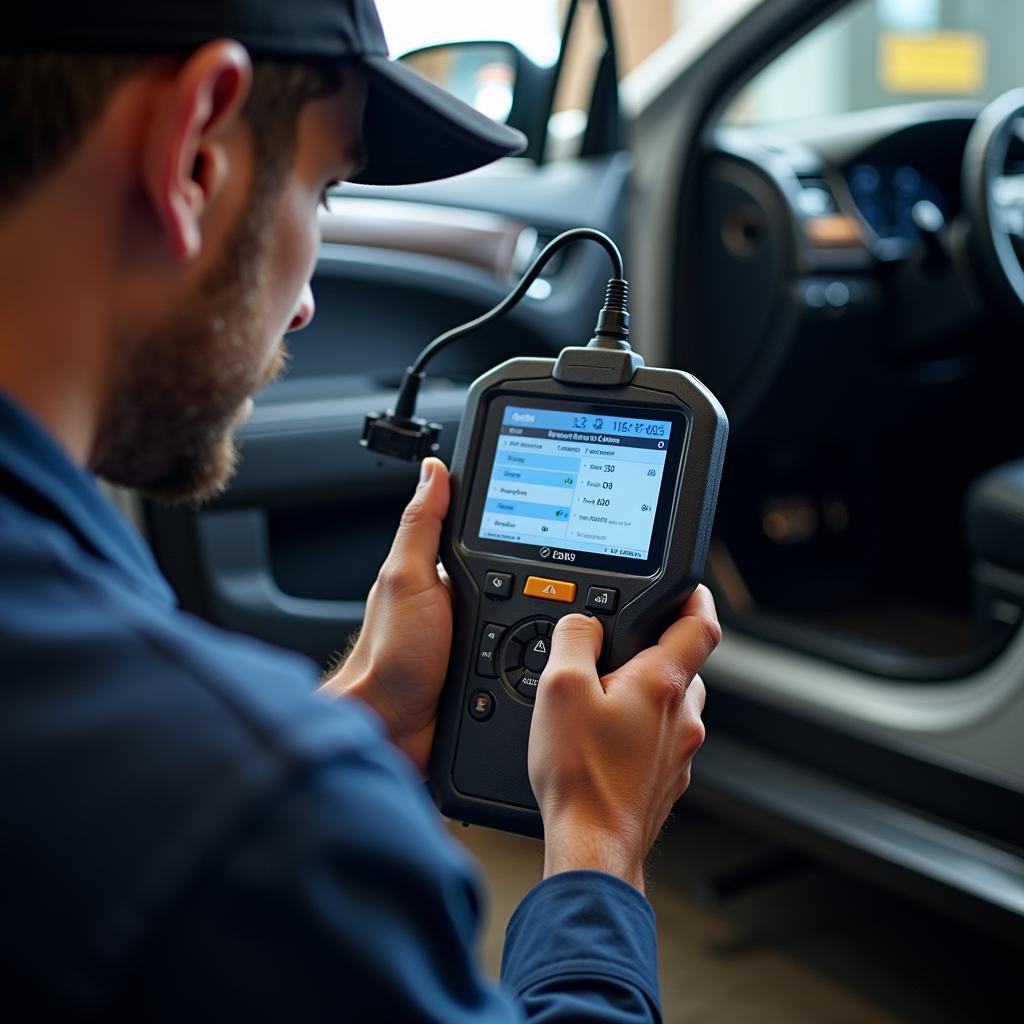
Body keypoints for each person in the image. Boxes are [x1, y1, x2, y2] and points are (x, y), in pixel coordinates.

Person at [0, 1, 719, 1019]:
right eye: (323, 188)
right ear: (195, 152)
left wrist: (364, 721)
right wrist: (597, 848)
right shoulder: (271, 827)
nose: (302, 305)